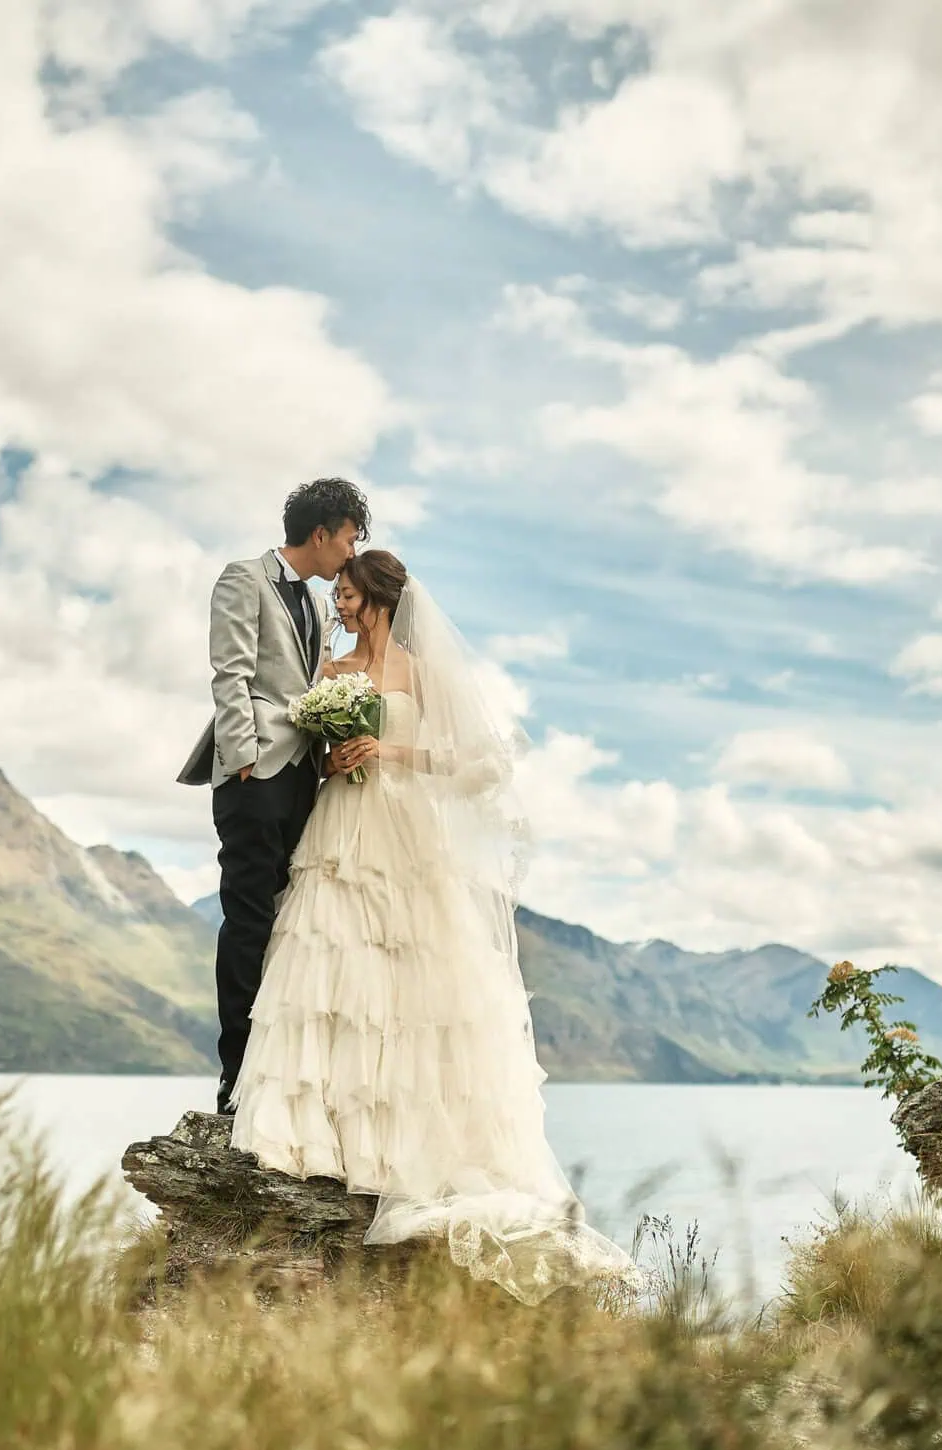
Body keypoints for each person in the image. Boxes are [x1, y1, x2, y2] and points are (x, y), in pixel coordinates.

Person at [226, 549, 637, 1304]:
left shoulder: (421, 672)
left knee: (412, 982)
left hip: (407, 834)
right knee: (332, 971)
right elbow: (308, 754)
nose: (339, 605)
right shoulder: (329, 672)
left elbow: (480, 764)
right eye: (336, 594)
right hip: (341, 823)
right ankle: (325, 1141)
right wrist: (334, 758)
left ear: (380, 597)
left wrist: (391, 750)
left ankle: (408, 1149)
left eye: (348, 595)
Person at [176, 478, 366, 1116]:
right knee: (249, 917)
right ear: (321, 534)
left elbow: (308, 686)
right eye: (348, 538)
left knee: (290, 922)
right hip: (255, 773)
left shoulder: (314, 607)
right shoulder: (243, 578)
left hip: (304, 776)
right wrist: (244, 757)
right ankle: (235, 1078)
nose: (350, 551)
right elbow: (228, 671)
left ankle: (278, 1072)